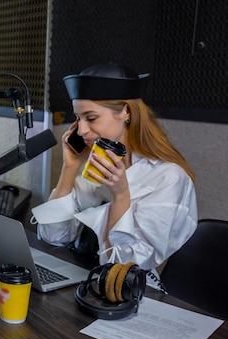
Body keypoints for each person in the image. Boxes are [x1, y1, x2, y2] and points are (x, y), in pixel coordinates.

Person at [31, 62, 197, 271]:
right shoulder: (95, 164)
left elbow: (119, 267)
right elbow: (52, 236)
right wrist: (70, 168)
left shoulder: (170, 178)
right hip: (81, 276)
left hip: (127, 292)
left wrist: (120, 195)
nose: (81, 130)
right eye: (78, 118)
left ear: (126, 112)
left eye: (91, 118)